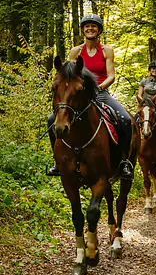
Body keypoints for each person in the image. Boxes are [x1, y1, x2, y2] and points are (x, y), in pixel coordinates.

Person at [47, 13, 134, 178]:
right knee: (52, 120)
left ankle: (124, 162)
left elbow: (111, 76)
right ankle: (57, 162)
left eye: (93, 26)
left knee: (125, 119)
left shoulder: (107, 51)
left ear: (99, 30)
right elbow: (70, 75)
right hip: (80, 96)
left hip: (101, 93)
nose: (90, 28)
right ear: (83, 30)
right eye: (87, 26)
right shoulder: (75, 51)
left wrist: (99, 87)